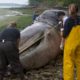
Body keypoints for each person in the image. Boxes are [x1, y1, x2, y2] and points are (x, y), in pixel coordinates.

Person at [63, 3, 80, 80]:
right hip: (79, 43)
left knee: (68, 62)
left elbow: (65, 34)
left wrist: (62, 42)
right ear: (77, 11)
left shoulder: (68, 20)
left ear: (70, 10)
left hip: (70, 44)